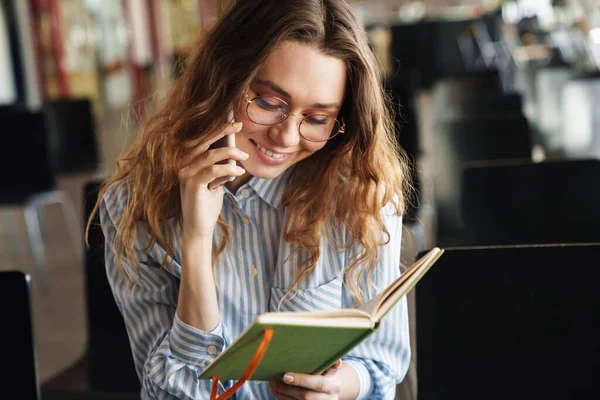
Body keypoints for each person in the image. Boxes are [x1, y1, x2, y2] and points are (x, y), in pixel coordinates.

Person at [91, 0, 412, 398]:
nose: (287, 137)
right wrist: (195, 242)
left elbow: (382, 364)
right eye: (267, 103)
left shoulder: (363, 194)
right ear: (222, 79)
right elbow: (170, 393)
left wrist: (340, 387)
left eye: (316, 119)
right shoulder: (134, 204)